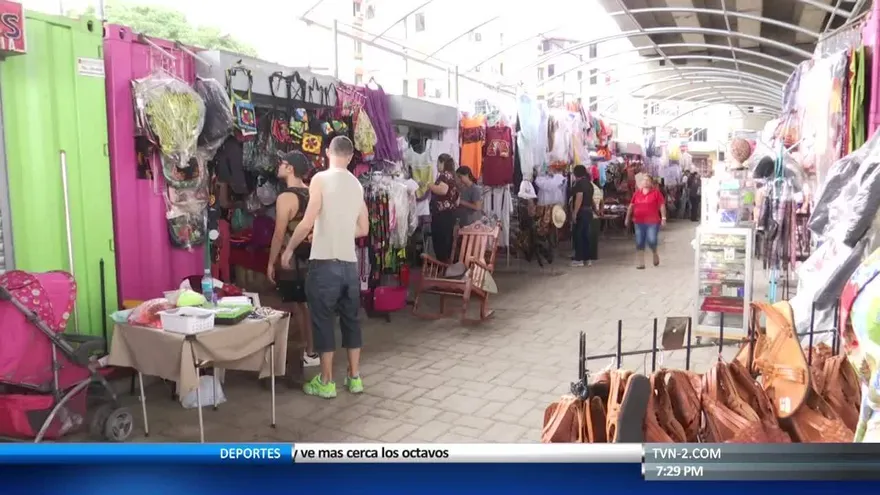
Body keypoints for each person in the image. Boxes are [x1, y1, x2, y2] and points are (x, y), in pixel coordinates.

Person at [281, 136, 369, 399]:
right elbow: (363, 228)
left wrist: (288, 249)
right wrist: (339, 231)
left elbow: (307, 222)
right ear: (352, 156)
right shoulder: (357, 186)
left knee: (323, 322)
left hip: (324, 265)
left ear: (328, 152)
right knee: (352, 322)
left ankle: (326, 381)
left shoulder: (320, 178)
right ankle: (354, 378)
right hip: (349, 267)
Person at [268, 151, 318, 370]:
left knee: (300, 306)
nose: (279, 165)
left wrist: (271, 262)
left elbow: (279, 234)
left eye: (282, 162)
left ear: (290, 168)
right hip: (314, 257)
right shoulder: (312, 192)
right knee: (308, 306)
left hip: (294, 260)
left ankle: (310, 350)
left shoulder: (286, 198)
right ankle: (311, 350)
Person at [625, 175, 667, 269]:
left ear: (651, 182)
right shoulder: (637, 193)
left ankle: (654, 252)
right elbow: (631, 206)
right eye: (644, 180)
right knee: (639, 241)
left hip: (653, 222)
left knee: (652, 240)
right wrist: (627, 218)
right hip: (639, 221)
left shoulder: (656, 193)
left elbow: (662, 206)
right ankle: (641, 263)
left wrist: (663, 218)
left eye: (648, 180)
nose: (645, 182)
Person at [428, 154, 460, 262]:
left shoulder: (444, 176)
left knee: (440, 239)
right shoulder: (452, 176)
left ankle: (442, 264)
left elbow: (443, 190)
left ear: (442, 163)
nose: (436, 166)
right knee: (447, 239)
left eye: (438, 163)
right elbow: (457, 198)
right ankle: (446, 264)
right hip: (450, 213)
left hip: (442, 214)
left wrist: (429, 185)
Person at [570, 165, 599, 267]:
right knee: (586, 236)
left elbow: (579, 197)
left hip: (581, 212)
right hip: (588, 212)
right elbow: (591, 199)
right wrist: (596, 210)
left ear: (575, 174)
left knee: (579, 236)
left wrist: (575, 213)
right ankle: (587, 259)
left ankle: (579, 259)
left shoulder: (579, 184)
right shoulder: (589, 184)